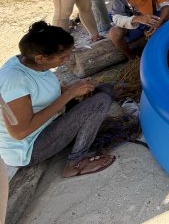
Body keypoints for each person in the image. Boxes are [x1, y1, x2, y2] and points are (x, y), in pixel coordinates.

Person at [0, 21, 116, 178]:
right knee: (100, 102)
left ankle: (77, 136)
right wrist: (69, 95)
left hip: (48, 124)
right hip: (29, 147)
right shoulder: (14, 80)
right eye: (62, 57)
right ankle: (75, 163)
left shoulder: (29, 61)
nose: (67, 60)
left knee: (104, 89)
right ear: (41, 58)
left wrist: (66, 90)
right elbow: (20, 132)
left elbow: (38, 90)